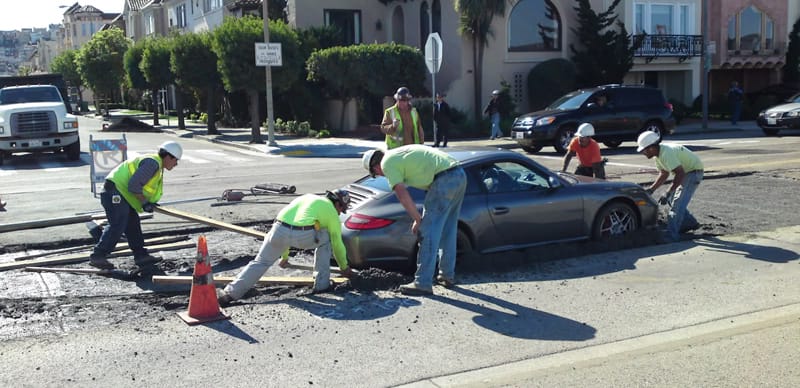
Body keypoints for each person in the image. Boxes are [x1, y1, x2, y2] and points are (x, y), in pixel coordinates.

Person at [217, 190, 357, 305]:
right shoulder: (330, 211)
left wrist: (284, 257)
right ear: (337, 203)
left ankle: (229, 294)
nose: (340, 213)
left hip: (277, 229)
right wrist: (344, 268)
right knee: (327, 238)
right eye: (341, 209)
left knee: (260, 262)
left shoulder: (307, 197)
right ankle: (322, 285)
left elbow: (287, 228)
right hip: (301, 234)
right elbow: (337, 243)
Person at [361, 145, 467, 295]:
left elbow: (402, 195)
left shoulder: (387, 163)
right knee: (448, 230)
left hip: (444, 179)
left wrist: (418, 220)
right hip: (459, 174)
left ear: (375, 166)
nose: (381, 176)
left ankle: (422, 282)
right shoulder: (398, 154)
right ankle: (447, 276)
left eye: (376, 174)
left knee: (427, 231)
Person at [89, 141, 183, 270]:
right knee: (118, 224)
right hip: (114, 193)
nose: (176, 164)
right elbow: (134, 185)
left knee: (132, 223)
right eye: (175, 160)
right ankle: (98, 256)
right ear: (168, 156)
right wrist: (144, 203)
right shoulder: (153, 164)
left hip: (122, 194)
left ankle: (140, 255)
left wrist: (148, 202)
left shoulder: (156, 163)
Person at [637, 131, 704, 242]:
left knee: (677, 204)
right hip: (687, 171)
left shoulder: (666, 153)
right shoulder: (658, 155)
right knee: (673, 199)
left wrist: (668, 192)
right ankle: (690, 223)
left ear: (652, 147)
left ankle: (671, 236)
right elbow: (664, 173)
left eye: (644, 150)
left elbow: (680, 173)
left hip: (693, 172)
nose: (643, 153)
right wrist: (651, 189)